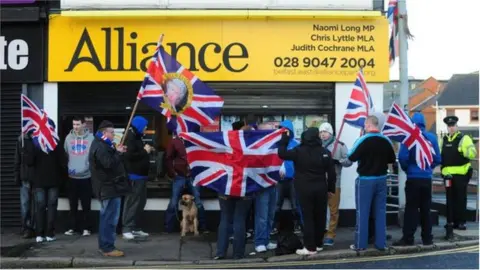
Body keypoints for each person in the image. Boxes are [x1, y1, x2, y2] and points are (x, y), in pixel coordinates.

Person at [278, 127, 336, 255]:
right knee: (320, 216)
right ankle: (318, 243)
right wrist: (331, 188)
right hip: (321, 188)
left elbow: (281, 154)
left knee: (308, 217)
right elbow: (332, 173)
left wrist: (284, 139)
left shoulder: (298, 151)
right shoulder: (325, 152)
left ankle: (310, 247)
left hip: (304, 188)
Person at [347, 115, 396, 251]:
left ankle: (360, 244)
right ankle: (381, 244)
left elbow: (351, 156)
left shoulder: (362, 140)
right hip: (381, 179)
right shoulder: (386, 140)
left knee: (362, 213)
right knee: (380, 213)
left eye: (364, 126)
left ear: (368, 125)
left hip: (365, 180)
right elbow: (392, 158)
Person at [392, 112, 441, 246]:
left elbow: (402, 158)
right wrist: (429, 168)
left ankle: (408, 238)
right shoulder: (432, 138)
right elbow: (437, 159)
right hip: (426, 178)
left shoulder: (409, 137)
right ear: (424, 123)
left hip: (413, 178)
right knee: (426, 209)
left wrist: (408, 169)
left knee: (411, 209)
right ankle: (427, 238)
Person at [89, 120, 131, 257]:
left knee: (108, 217)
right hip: (108, 188)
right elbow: (107, 164)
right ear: (104, 133)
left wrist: (116, 151)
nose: (114, 135)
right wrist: (117, 153)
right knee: (109, 219)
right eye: (112, 133)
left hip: (110, 187)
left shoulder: (103, 144)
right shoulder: (100, 146)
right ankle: (107, 248)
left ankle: (106, 246)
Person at [440, 116, 477, 239]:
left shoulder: (464, 138)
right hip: (448, 175)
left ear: (457, 126)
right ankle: (450, 222)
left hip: (461, 174)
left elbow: (473, 153)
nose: (451, 128)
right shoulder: (444, 139)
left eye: (453, 125)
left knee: (460, 199)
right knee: (449, 199)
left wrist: (465, 152)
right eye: (449, 126)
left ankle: (461, 222)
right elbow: (441, 156)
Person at [32, 120, 67, 243]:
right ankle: (45, 233)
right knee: (47, 207)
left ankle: (44, 234)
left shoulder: (38, 142)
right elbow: (63, 162)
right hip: (46, 181)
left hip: (45, 181)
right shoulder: (52, 143)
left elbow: (30, 162)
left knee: (43, 207)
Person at [164, 132, 207, 233]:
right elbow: (168, 158)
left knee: (198, 201)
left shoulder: (195, 141)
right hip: (179, 176)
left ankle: (203, 227)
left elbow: (201, 157)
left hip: (192, 176)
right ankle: (168, 228)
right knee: (174, 202)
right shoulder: (174, 141)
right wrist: (173, 173)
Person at [319, 122, 352, 246]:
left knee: (333, 210)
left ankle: (331, 234)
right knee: (321, 209)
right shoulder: (316, 146)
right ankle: (322, 231)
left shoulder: (340, 145)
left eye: (325, 132)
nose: (322, 134)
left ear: (331, 133)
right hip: (320, 182)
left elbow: (349, 161)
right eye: (321, 132)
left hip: (334, 182)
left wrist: (338, 161)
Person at [64, 116, 95, 237]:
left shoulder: (91, 138)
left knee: (86, 204)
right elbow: (66, 154)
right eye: (74, 125)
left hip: (86, 177)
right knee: (72, 205)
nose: (75, 127)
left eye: (78, 124)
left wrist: (87, 167)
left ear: (84, 125)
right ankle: (72, 227)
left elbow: (93, 157)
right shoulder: (68, 138)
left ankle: (86, 228)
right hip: (72, 177)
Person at [122, 116, 152, 240]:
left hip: (141, 176)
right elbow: (129, 156)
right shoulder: (130, 137)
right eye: (144, 126)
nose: (145, 129)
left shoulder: (137, 136)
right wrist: (145, 151)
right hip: (134, 176)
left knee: (140, 202)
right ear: (139, 125)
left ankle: (134, 227)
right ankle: (127, 228)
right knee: (132, 202)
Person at [272, 120, 302, 235]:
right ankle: (274, 226)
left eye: (285, 130)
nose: (283, 132)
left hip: (293, 179)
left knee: (295, 204)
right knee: (276, 205)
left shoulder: (296, 144)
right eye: (281, 130)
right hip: (278, 180)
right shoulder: (275, 144)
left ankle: (297, 225)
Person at [253, 119, 278, 253]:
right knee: (262, 215)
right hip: (261, 184)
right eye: (270, 129)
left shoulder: (274, 144)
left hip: (273, 183)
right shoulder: (257, 146)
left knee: (270, 214)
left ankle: (267, 239)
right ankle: (260, 241)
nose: (273, 131)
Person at [14, 131, 36, 239]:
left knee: (37, 205)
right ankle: (27, 228)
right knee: (25, 205)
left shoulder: (39, 139)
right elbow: (17, 159)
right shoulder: (21, 140)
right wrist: (17, 175)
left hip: (37, 177)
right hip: (25, 177)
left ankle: (35, 227)